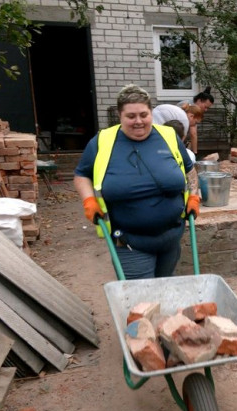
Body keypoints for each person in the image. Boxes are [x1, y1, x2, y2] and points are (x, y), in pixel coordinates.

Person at [73, 84, 201, 279]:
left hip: (172, 237)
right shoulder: (102, 142)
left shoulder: (168, 137)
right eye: (131, 116)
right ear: (120, 115)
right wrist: (88, 201)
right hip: (130, 241)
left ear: (151, 112)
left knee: (166, 292)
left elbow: (189, 170)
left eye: (144, 115)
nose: (138, 121)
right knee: (142, 301)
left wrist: (193, 195)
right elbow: (82, 174)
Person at [177, 87, 214, 154]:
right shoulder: (190, 107)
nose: (206, 110)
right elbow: (193, 133)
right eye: (205, 107)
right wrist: (195, 153)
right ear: (199, 101)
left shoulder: (194, 106)